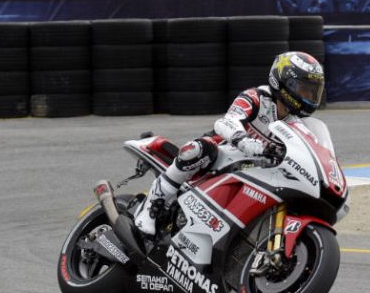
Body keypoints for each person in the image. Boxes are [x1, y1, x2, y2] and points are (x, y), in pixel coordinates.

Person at [134, 51, 326, 235]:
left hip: (251, 171)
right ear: (284, 82)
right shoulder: (256, 98)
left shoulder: (297, 125)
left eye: (312, 92)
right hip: (218, 156)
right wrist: (242, 140)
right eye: (304, 89)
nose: (309, 96)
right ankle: (151, 205)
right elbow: (226, 121)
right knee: (200, 149)